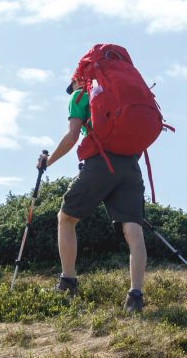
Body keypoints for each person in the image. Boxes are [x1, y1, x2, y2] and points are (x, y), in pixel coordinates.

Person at [38, 76, 148, 313]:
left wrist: (49, 161)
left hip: (100, 163)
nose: (72, 91)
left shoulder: (80, 97)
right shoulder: (121, 94)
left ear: (78, 80)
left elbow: (72, 136)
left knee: (66, 218)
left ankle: (67, 283)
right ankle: (135, 297)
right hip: (130, 166)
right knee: (133, 229)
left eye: (72, 87)